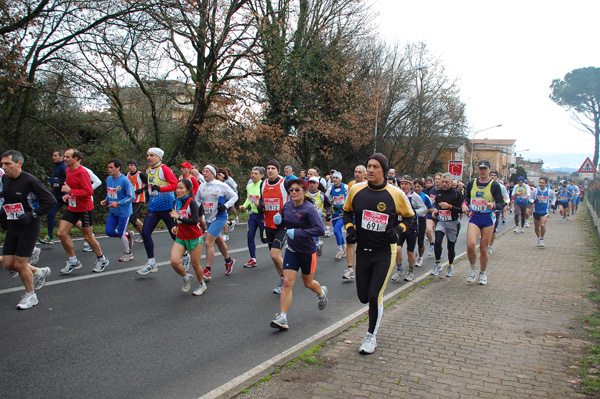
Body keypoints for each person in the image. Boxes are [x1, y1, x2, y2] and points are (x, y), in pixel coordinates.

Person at [343, 153, 415, 354]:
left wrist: (399, 230)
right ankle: (372, 326)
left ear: (384, 170)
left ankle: (370, 336)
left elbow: (410, 217)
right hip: (363, 250)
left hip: (384, 251)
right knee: (363, 297)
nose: (371, 170)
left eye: (376, 167)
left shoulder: (395, 194)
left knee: (375, 295)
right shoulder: (356, 190)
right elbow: (347, 211)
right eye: (369, 166)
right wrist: (350, 228)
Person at [0, 150, 56, 309]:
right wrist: (3, 215)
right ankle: (39, 272)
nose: (4, 167)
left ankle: (31, 296)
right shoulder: (6, 179)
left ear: (19, 163)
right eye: (2, 164)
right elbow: (7, 199)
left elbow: (50, 202)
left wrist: (32, 214)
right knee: (8, 264)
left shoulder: (30, 181)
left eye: (7, 164)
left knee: (20, 263)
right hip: (13, 225)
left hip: (29, 226)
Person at [270, 179, 327, 330]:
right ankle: (282, 318)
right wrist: (279, 223)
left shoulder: (309, 209)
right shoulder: (287, 206)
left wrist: (298, 232)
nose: (294, 193)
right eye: (291, 190)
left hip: (308, 251)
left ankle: (321, 292)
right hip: (292, 250)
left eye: (297, 190)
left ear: (304, 191)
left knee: (308, 283)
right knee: (287, 282)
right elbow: (283, 226)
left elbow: (320, 230)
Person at [57, 149, 109, 274]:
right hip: (73, 207)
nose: (64, 159)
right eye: (64, 156)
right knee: (61, 233)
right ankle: (73, 260)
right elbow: (73, 188)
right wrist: (69, 195)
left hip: (85, 208)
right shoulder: (68, 170)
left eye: (67, 157)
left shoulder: (83, 172)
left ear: (76, 159)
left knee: (88, 237)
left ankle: (102, 259)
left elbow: (89, 191)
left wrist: (71, 191)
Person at [461, 160, 506, 285]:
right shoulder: (471, 183)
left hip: (487, 218)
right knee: (470, 245)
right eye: (480, 168)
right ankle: (473, 268)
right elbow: (466, 198)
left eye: (485, 168)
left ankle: (483, 272)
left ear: (489, 169)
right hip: (475, 217)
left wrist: (493, 205)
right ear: (478, 170)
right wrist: (464, 205)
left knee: (483, 248)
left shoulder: (495, 185)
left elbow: (502, 203)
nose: (483, 171)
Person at [136, 148, 179, 275]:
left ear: (159, 157)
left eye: (152, 155)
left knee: (174, 234)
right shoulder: (148, 170)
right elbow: (152, 186)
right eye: (148, 155)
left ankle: (185, 255)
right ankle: (151, 263)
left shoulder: (164, 169)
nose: (149, 158)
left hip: (167, 207)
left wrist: (160, 189)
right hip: (154, 207)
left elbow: (175, 185)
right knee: (145, 232)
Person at [195, 164, 238, 279]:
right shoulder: (202, 186)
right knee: (219, 241)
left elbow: (234, 196)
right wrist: (194, 212)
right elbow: (197, 200)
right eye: (203, 171)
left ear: (213, 174)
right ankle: (229, 261)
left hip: (220, 218)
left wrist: (225, 206)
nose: (204, 173)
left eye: (207, 171)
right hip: (209, 217)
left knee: (208, 242)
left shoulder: (221, 185)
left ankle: (207, 270)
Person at [169, 179, 207, 295]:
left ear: (188, 190)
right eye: (177, 188)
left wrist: (179, 218)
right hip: (181, 236)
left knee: (195, 264)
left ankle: (201, 283)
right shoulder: (176, 202)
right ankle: (186, 277)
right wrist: (175, 225)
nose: (178, 191)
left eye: (181, 188)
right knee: (174, 261)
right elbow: (177, 217)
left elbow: (194, 220)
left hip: (194, 237)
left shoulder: (192, 202)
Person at [258, 159, 289, 294]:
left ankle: (288, 280)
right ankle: (283, 279)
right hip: (268, 224)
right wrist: (260, 205)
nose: (270, 170)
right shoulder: (263, 183)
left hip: (283, 226)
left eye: (273, 168)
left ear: (278, 170)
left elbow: (297, 196)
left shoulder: (285, 183)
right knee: (274, 257)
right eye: (268, 168)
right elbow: (262, 199)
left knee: (275, 255)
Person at [391, 175, 426, 282]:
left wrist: (414, 213)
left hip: (412, 226)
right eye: (402, 183)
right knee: (397, 249)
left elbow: (424, 209)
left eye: (406, 184)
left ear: (411, 186)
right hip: (400, 226)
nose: (404, 186)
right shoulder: (397, 194)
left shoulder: (414, 196)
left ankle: (410, 271)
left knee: (410, 252)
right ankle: (399, 269)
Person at [100, 159, 135, 263]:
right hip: (113, 211)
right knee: (109, 232)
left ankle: (128, 254)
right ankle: (128, 236)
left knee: (121, 233)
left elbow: (131, 197)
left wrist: (118, 203)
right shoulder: (109, 179)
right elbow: (110, 193)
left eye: (111, 167)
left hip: (124, 212)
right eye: (108, 167)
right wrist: (106, 201)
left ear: (118, 168)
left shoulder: (125, 180)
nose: (109, 170)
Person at [429, 173, 463, 277]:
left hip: (453, 223)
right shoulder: (438, 192)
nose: (444, 184)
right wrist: (435, 210)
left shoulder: (456, 193)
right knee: (437, 241)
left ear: (451, 182)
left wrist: (450, 206)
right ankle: (438, 263)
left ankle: (450, 265)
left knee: (450, 246)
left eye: (446, 182)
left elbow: (461, 209)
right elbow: (436, 205)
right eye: (442, 182)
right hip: (442, 221)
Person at [239, 166, 267, 267]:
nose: (253, 175)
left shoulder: (264, 186)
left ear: (261, 175)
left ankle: (278, 243)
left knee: (264, 239)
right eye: (252, 173)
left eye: (256, 174)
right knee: (250, 236)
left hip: (263, 215)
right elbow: (248, 199)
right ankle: (253, 259)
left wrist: (259, 205)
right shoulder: (250, 186)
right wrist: (244, 206)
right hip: (253, 215)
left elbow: (266, 200)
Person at [343, 165, 367, 279]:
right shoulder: (351, 185)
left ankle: (361, 268)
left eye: (360, 172)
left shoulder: (368, 185)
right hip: (351, 215)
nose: (357, 174)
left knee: (361, 244)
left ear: (365, 175)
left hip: (363, 218)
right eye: (355, 172)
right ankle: (350, 269)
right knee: (349, 241)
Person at [39, 150, 67, 244]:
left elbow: (68, 179)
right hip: (58, 196)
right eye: (53, 155)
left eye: (55, 155)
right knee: (50, 213)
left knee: (75, 220)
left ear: (61, 157)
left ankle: (89, 234)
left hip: (66, 196)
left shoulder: (64, 167)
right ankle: (50, 237)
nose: (53, 157)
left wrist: (57, 181)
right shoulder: (56, 166)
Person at [306, 176, 332, 258]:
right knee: (308, 241)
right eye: (310, 183)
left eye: (314, 183)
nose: (312, 185)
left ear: (317, 184)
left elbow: (329, 205)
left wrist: (328, 213)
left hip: (317, 222)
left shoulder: (321, 195)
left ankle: (311, 261)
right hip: (305, 221)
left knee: (312, 242)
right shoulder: (304, 194)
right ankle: (318, 245)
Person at [325, 171, 349, 260]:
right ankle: (344, 247)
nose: (334, 179)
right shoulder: (330, 189)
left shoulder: (346, 187)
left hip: (343, 214)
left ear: (340, 179)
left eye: (336, 178)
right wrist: (327, 212)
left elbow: (351, 198)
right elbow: (326, 200)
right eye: (333, 178)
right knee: (338, 232)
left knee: (336, 230)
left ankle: (339, 249)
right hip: (334, 213)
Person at [413, 178, 434, 267]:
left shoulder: (425, 197)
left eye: (419, 186)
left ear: (422, 187)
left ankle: (420, 258)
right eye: (415, 186)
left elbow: (432, 208)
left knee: (420, 241)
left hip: (421, 220)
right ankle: (414, 252)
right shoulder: (410, 195)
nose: (416, 188)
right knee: (411, 239)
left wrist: (424, 210)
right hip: (412, 220)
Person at [488, 170, 509, 254]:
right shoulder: (486, 185)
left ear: (497, 177)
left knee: (493, 230)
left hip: (496, 210)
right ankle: (485, 245)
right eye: (491, 175)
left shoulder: (501, 187)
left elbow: (507, 197)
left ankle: (490, 246)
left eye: (494, 175)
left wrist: (505, 203)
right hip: (486, 210)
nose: (493, 177)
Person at [530, 177, 555, 248]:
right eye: (540, 182)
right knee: (536, 226)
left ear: (546, 184)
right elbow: (530, 198)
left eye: (542, 183)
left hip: (545, 210)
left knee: (543, 225)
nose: (541, 184)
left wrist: (553, 204)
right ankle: (538, 238)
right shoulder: (535, 191)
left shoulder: (549, 191)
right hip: (536, 210)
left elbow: (553, 197)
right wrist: (533, 201)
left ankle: (542, 238)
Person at [126, 159, 147, 243]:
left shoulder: (141, 175)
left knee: (132, 217)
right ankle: (143, 233)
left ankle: (145, 231)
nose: (130, 167)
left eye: (132, 165)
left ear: (135, 166)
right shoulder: (126, 175)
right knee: (131, 219)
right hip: (130, 200)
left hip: (139, 200)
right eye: (129, 165)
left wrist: (142, 190)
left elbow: (150, 184)